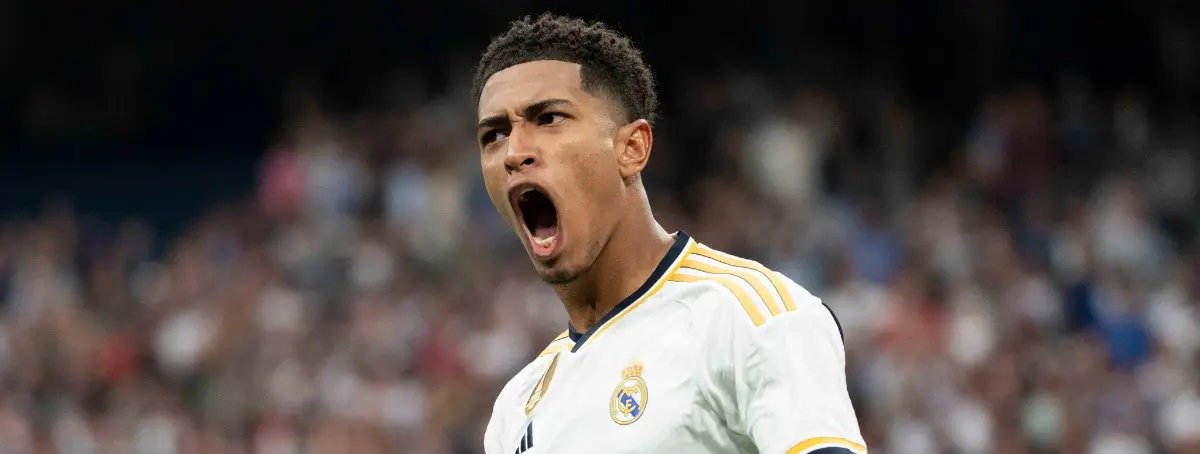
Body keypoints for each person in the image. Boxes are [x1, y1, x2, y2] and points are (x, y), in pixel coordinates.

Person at [472, 13, 866, 454]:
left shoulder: (748, 315)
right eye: (494, 135)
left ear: (632, 148)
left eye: (549, 118)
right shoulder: (515, 408)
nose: (515, 152)